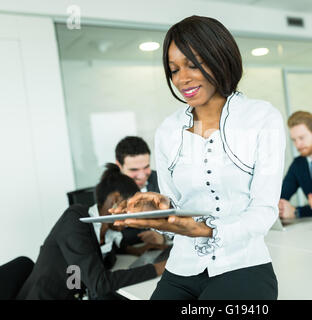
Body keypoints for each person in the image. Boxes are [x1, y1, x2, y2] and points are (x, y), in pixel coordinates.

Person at [111, 15, 285, 300]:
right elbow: (175, 205)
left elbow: (264, 211)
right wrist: (155, 208)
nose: (182, 79)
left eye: (193, 64)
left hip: (243, 265)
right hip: (182, 267)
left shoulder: (261, 118)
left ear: (221, 58)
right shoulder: (168, 130)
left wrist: (202, 229)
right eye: (174, 69)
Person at [16, 164, 166, 300]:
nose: (133, 216)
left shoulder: (105, 229)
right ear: (115, 200)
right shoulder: (76, 219)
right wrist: (158, 268)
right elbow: (99, 283)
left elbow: (101, 248)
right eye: (133, 208)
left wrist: (139, 251)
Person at [115, 136, 167, 252]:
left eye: (146, 167)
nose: (142, 175)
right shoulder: (109, 191)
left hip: (163, 248)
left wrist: (162, 235)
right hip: (128, 253)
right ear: (119, 166)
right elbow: (109, 235)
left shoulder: (162, 180)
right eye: (134, 170)